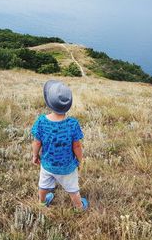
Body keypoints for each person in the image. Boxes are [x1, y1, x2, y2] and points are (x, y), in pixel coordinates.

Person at [31, 80, 88, 210]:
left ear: (49, 103)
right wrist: (79, 160)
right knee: (73, 189)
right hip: (67, 166)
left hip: (47, 164)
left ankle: (42, 202)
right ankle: (79, 207)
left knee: (43, 185)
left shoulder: (41, 121)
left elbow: (37, 142)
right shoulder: (72, 124)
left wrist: (35, 155)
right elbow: (77, 146)